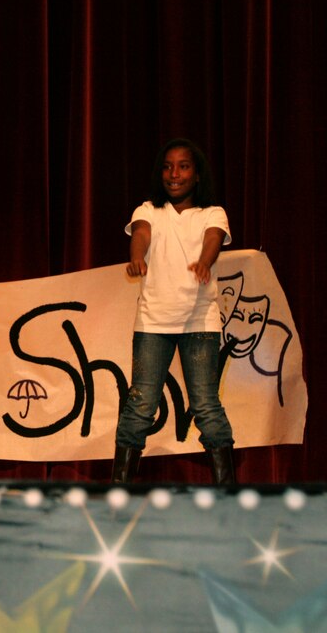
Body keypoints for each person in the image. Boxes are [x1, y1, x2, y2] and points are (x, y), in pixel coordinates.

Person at [112, 138, 236, 485]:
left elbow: (214, 238)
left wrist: (205, 262)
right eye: (168, 166)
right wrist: (137, 256)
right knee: (140, 404)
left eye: (183, 166)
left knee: (206, 406)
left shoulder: (212, 213)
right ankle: (118, 491)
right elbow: (141, 234)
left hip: (199, 322)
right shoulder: (148, 210)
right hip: (153, 322)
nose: (174, 174)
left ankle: (229, 491)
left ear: (197, 175)